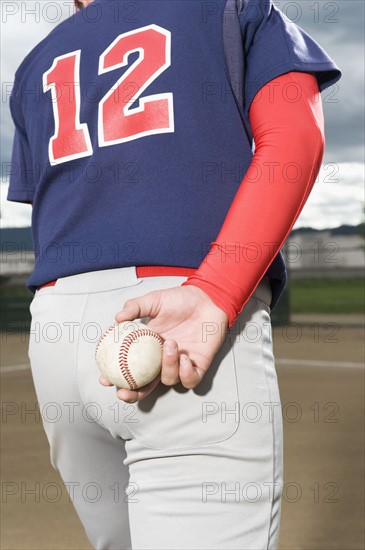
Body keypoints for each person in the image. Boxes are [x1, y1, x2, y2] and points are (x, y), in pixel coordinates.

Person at [8, 0, 341, 548]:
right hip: (180, 317)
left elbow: (54, 204)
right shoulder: (230, 6)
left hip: (56, 332)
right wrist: (217, 290)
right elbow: (294, 140)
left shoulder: (35, 63)